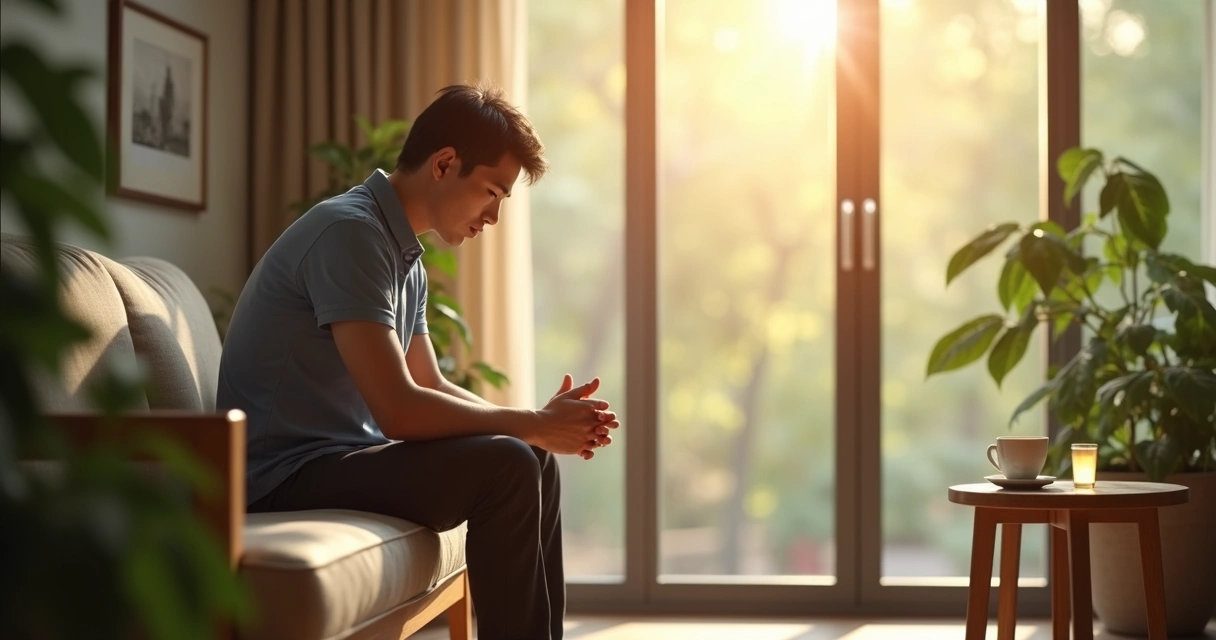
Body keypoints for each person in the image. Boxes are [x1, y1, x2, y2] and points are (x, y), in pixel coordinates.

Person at [216, 82, 617, 640]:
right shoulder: (351, 234)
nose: (495, 217)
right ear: (445, 163)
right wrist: (533, 425)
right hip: (280, 476)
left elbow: (428, 381)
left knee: (531, 457)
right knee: (511, 463)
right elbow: (400, 412)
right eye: (492, 192)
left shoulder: (403, 257)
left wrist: (537, 424)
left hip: (334, 459)